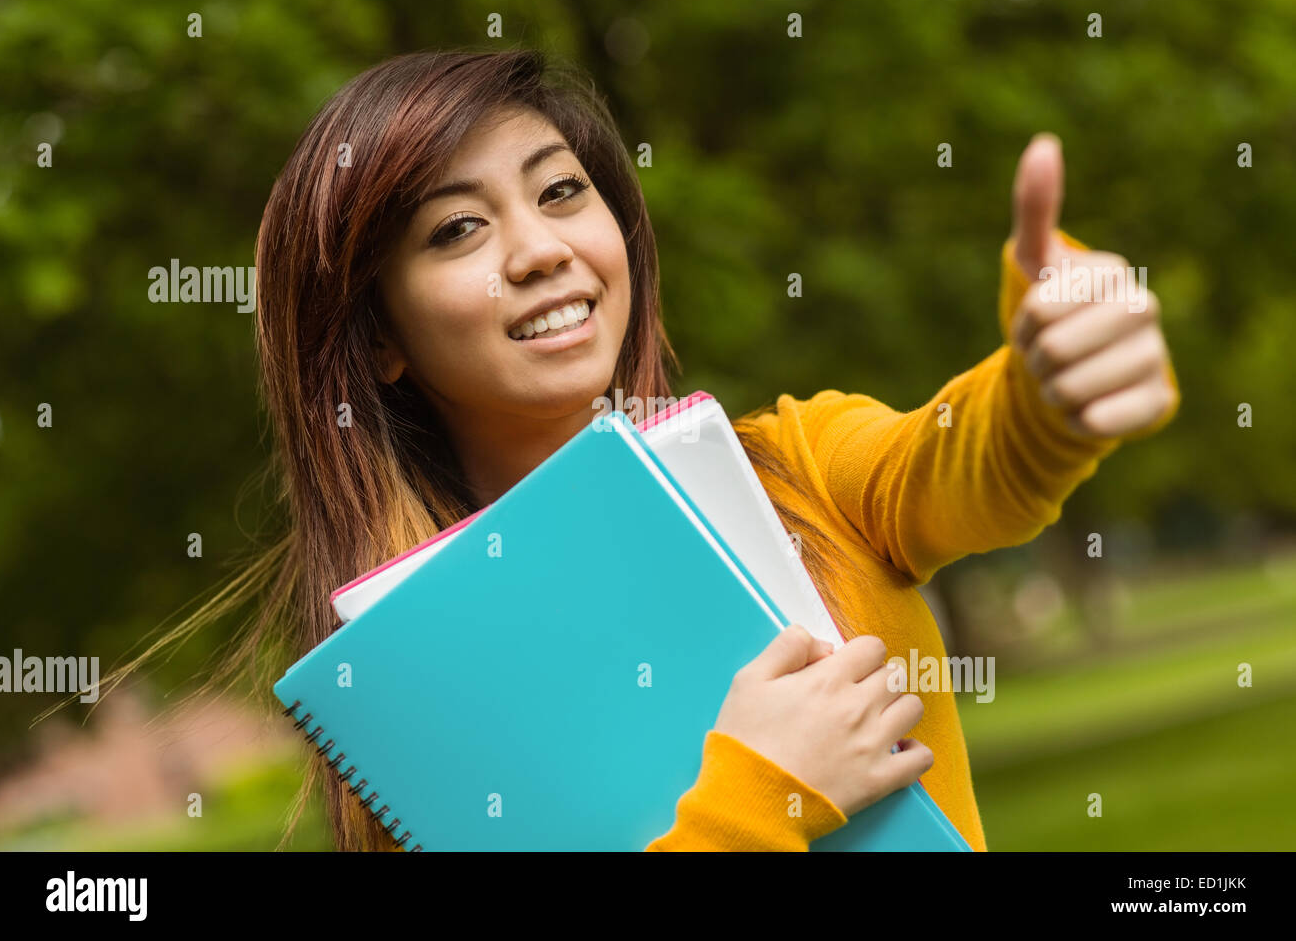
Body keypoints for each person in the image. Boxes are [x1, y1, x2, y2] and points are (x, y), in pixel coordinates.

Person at [101, 48, 1180, 852]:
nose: (540, 249)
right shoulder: (412, 694)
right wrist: (761, 794)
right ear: (379, 336)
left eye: (561, 190)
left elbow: (970, 463)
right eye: (455, 230)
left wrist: (1049, 384)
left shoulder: (798, 467)